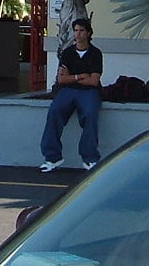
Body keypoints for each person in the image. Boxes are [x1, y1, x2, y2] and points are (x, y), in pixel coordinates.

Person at [38, 16, 103, 172]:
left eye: (81, 30)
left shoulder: (95, 53)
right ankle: (52, 157)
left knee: (90, 115)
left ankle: (89, 158)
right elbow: (61, 79)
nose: (78, 34)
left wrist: (72, 78)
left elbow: (94, 81)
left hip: (89, 92)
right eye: (75, 31)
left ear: (88, 33)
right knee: (54, 112)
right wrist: (80, 77)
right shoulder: (68, 53)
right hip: (68, 91)